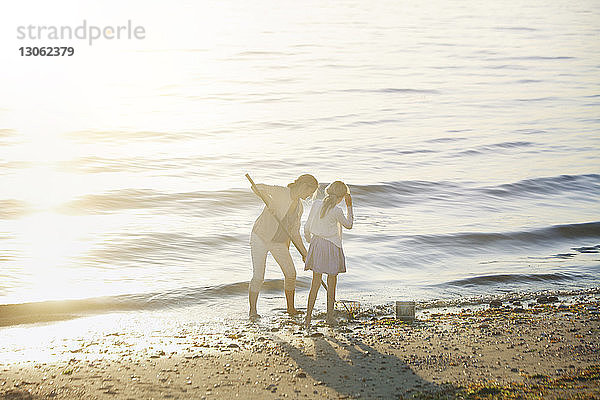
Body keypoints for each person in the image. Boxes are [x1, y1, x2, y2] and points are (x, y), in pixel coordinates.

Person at [249, 174, 319, 319]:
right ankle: (253, 312)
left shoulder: (299, 208)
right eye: (309, 192)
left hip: (278, 242)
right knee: (258, 276)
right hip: (260, 237)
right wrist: (269, 201)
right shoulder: (282, 192)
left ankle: (290, 309)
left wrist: (305, 253)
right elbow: (256, 187)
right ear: (303, 186)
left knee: (291, 273)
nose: (308, 196)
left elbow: (294, 232)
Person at [304, 181, 353, 327]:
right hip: (331, 246)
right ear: (341, 197)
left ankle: (307, 318)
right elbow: (349, 224)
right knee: (331, 284)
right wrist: (349, 206)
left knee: (315, 283)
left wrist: (310, 241)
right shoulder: (337, 210)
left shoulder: (316, 204)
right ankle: (329, 317)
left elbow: (307, 226)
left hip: (317, 244)